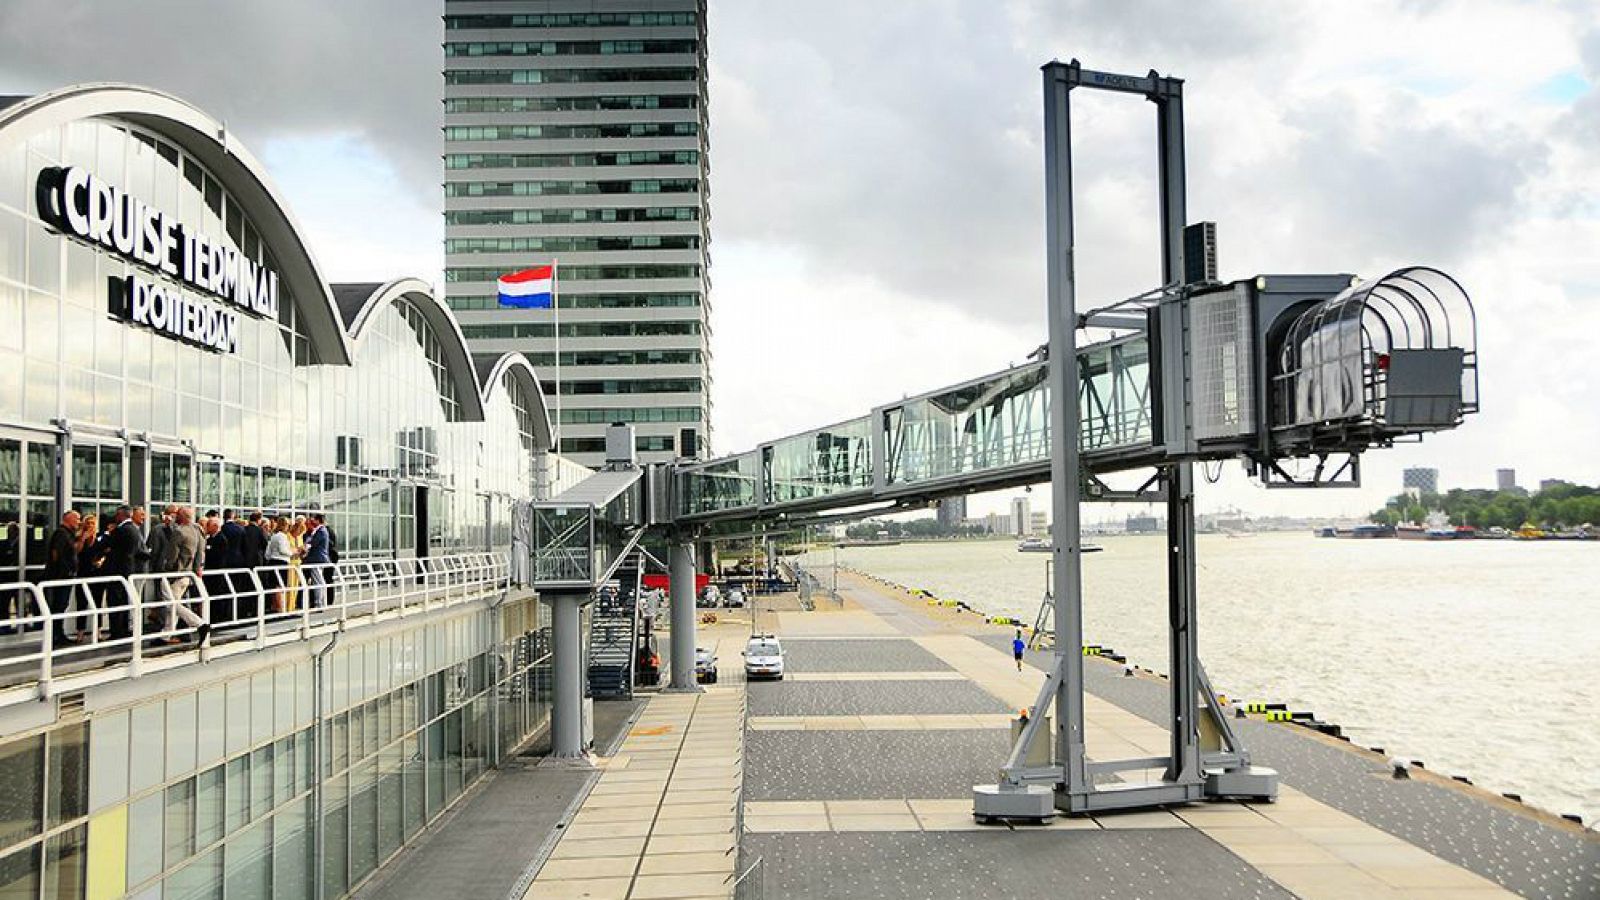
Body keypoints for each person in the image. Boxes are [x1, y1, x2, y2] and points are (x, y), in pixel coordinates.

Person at [159, 507, 209, 645]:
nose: (175, 517)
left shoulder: (179, 532)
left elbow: (172, 555)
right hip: (188, 574)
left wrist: (167, 568)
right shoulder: (197, 530)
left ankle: (200, 624)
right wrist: (197, 568)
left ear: (182, 517)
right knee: (174, 603)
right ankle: (166, 635)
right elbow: (200, 551)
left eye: (178, 515)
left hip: (177, 573)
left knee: (172, 604)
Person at [99, 506, 145, 640]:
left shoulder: (122, 530)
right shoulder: (134, 529)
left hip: (117, 570)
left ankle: (117, 631)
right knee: (123, 599)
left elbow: (107, 545)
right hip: (127, 569)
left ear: (120, 515)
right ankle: (124, 629)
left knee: (115, 600)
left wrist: (107, 534)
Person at [43, 510, 81, 646]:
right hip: (60, 577)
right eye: (76, 519)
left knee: (62, 605)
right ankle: (54, 636)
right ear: (68, 519)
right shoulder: (61, 533)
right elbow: (55, 553)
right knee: (58, 606)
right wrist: (60, 571)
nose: (79, 521)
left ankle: (59, 633)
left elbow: (74, 551)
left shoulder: (70, 534)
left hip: (67, 576)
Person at [238, 511, 268, 618]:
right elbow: (265, 544)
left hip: (245, 562)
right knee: (257, 587)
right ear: (259, 520)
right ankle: (256, 611)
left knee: (246, 587)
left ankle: (245, 610)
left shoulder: (244, 530)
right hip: (257, 562)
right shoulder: (260, 530)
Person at [264, 516, 294, 613]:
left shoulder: (273, 536)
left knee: (274, 585)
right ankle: (280, 608)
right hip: (281, 562)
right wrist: (292, 552)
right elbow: (283, 550)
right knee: (280, 586)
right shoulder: (282, 536)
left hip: (273, 561)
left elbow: (267, 553)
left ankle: (275, 606)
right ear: (284, 526)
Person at [302, 513, 331, 609]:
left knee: (317, 581)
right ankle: (321, 602)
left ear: (318, 520)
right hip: (318, 559)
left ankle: (319, 603)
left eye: (313, 519)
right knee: (319, 580)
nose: (312, 521)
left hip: (317, 559)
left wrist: (306, 546)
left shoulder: (321, 531)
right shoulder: (320, 530)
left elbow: (313, 543)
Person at [286, 517, 307, 611]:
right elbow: (288, 550)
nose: (300, 533)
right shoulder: (287, 536)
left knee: (296, 586)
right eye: (299, 531)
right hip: (290, 563)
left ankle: (292, 605)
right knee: (290, 585)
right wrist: (297, 550)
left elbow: (301, 548)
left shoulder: (299, 537)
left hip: (298, 563)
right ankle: (288, 606)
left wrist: (303, 551)